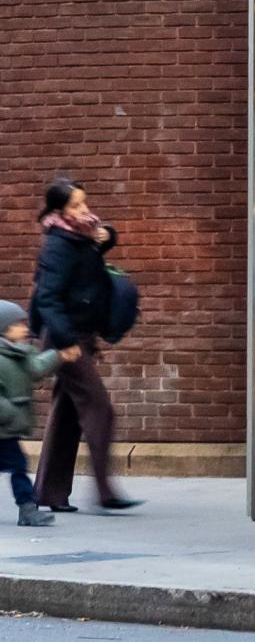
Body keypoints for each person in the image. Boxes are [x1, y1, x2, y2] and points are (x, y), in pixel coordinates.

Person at [31, 179, 143, 512]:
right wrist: (65, 344)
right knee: (99, 408)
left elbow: (89, 266)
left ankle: (48, 493)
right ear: (59, 211)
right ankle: (106, 491)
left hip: (81, 335)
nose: (85, 210)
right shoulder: (58, 244)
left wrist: (108, 236)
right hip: (66, 339)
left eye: (84, 203)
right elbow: (48, 298)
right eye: (76, 206)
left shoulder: (80, 234)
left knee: (66, 415)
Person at [0, 302, 80, 526]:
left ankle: (27, 509)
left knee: (18, 466)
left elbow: (37, 368)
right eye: (17, 324)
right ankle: (27, 509)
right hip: (5, 423)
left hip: (6, 431)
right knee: (17, 466)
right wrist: (9, 413)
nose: (24, 328)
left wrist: (59, 356)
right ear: (3, 328)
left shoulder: (20, 353)